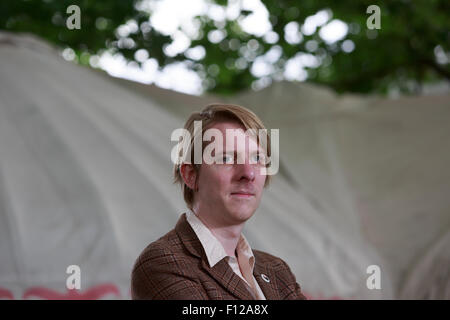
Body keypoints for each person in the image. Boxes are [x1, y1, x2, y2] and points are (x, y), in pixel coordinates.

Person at [131, 103, 306, 300]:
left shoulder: (277, 271)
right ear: (190, 175)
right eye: (226, 158)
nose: (248, 173)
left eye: (257, 158)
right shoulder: (164, 264)